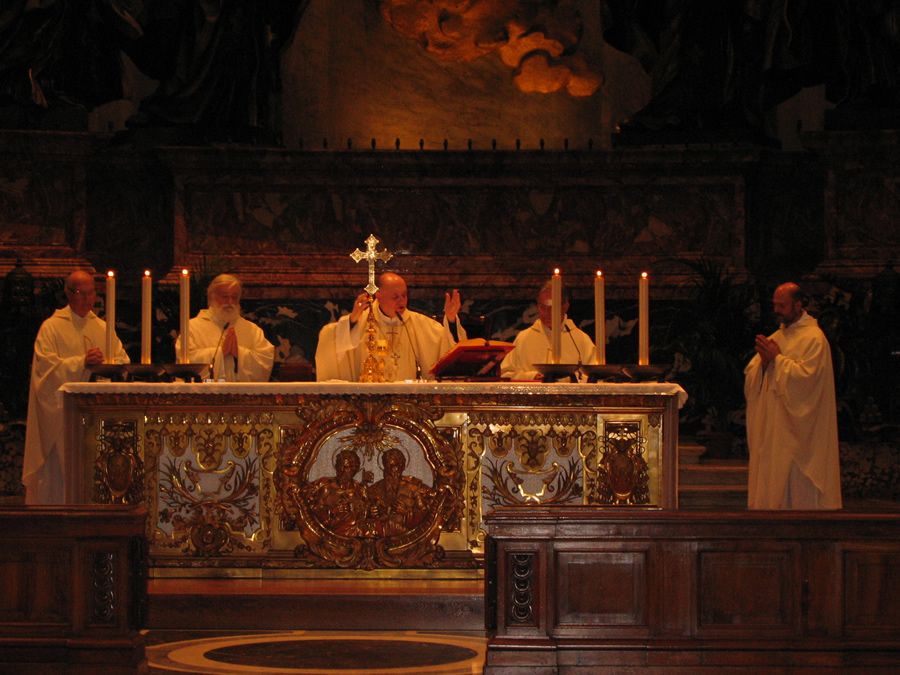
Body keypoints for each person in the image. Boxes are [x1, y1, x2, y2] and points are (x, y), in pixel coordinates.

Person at [22, 270, 129, 504]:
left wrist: (105, 365)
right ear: (68, 293)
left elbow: (122, 361)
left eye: (91, 293)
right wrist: (81, 363)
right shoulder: (51, 327)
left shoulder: (102, 327)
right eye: (81, 293)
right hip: (62, 414)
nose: (87, 299)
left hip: (96, 413)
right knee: (61, 469)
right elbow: (44, 371)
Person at [744, 282, 842, 510]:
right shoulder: (776, 337)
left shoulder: (814, 339)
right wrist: (764, 364)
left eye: (782, 305)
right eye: (775, 305)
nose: (777, 310)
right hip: (775, 432)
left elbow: (808, 381)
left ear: (798, 305)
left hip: (799, 436)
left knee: (798, 491)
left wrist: (777, 360)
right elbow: (752, 378)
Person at [315, 272, 466, 382]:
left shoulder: (421, 325)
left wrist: (451, 320)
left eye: (404, 295)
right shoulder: (362, 322)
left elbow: (450, 350)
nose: (402, 301)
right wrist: (352, 320)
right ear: (379, 296)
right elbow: (330, 339)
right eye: (395, 297)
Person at [175, 274, 274, 382]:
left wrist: (240, 353)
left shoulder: (252, 330)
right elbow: (184, 363)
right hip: (205, 392)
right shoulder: (192, 328)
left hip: (240, 392)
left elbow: (265, 362)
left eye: (234, 297)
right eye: (225, 296)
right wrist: (220, 352)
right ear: (210, 297)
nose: (230, 302)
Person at [500, 280, 595, 380]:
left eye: (553, 307)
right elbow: (506, 374)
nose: (547, 313)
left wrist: (568, 379)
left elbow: (594, 378)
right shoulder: (523, 338)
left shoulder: (580, 340)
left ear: (565, 307)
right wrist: (533, 376)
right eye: (543, 307)